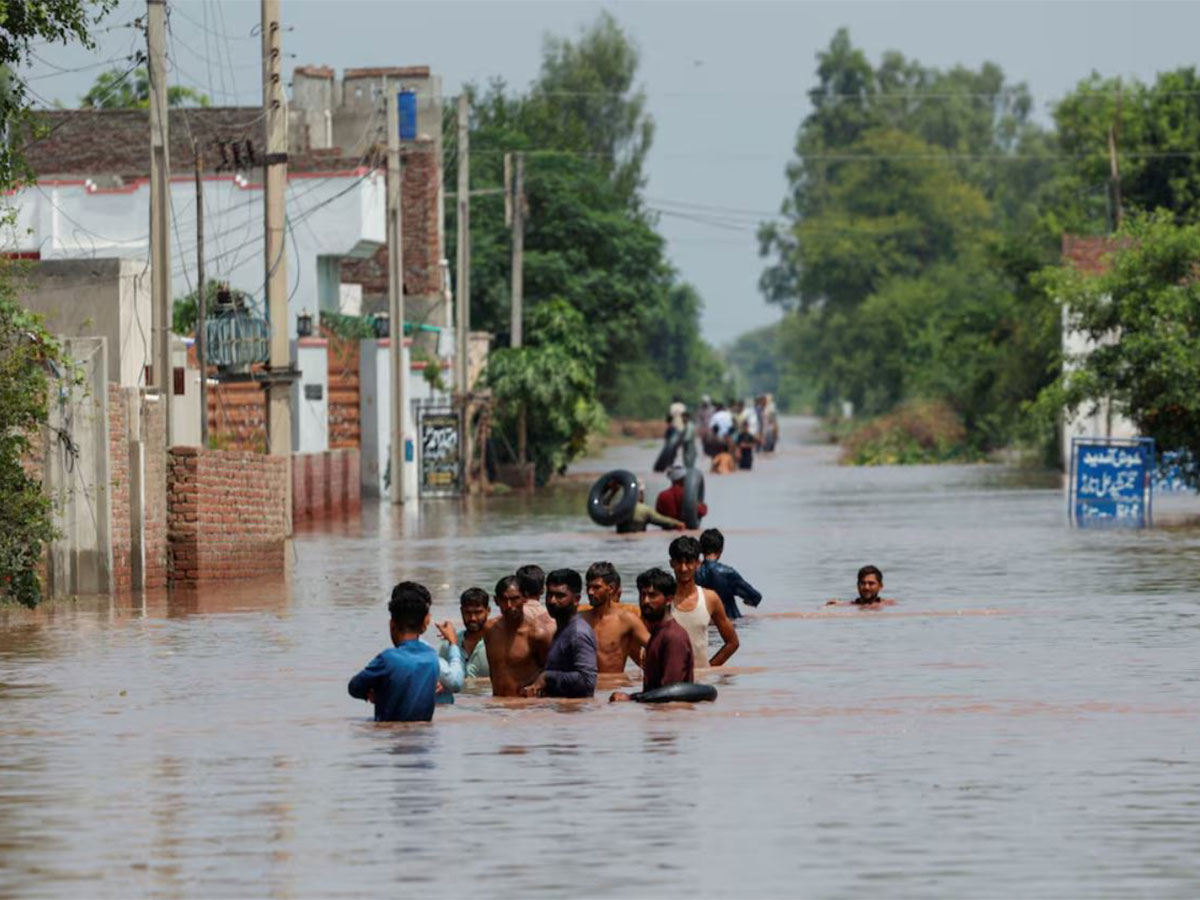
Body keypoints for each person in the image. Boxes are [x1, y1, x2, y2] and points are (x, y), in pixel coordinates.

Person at [348, 581, 442, 722]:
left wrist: (372, 692)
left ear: (392, 624)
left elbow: (354, 687)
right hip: (424, 738)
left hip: (389, 734)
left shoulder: (388, 658)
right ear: (424, 625)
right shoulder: (432, 658)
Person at [610, 567, 694, 702]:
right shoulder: (657, 634)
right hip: (657, 717)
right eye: (642, 595)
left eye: (652, 595)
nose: (645, 601)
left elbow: (670, 693)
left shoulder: (673, 637)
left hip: (671, 719)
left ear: (669, 599)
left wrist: (631, 698)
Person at [522, 569, 597, 698]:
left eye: (560, 596)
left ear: (576, 599)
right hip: (560, 714)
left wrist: (547, 677)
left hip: (575, 714)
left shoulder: (578, 633)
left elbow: (587, 682)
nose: (552, 601)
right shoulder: (562, 629)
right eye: (549, 595)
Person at [667, 535, 739, 667]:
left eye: (688, 562)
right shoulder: (664, 600)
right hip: (670, 681)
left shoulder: (709, 599)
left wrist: (709, 668)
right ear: (671, 563)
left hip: (701, 682)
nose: (683, 568)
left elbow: (732, 642)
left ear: (697, 564)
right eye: (679, 562)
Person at [485, 575, 555, 696]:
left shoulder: (537, 633)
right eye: (504, 600)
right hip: (497, 706)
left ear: (525, 598)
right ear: (496, 601)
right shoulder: (489, 629)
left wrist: (536, 687)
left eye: (514, 599)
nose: (509, 606)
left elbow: (552, 671)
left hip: (527, 708)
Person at [581, 561, 650, 674]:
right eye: (588, 587)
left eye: (596, 587)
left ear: (611, 589)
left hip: (614, 686)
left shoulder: (626, 620)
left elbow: (657, 647)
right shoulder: (580, 620)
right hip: (585, 687)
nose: (590, 592)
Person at [696, 528, 762, 620]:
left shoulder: (692, 574)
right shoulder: (728, 573)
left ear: (701, 549)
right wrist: (747, 601)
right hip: (729, 622)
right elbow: (755, 597)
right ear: (721, 549)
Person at [438, 587, 490, 684]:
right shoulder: (448, 644)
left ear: (488, 611)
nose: (473, 618)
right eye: (468, 613)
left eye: (478, 612)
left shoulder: (496, 644)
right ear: (461, 611)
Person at [619, 480, 685, 533]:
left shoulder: (619, 507)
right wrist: (677, 523)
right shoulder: (644, 509)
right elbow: (661, 519)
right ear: (640, 493)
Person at [825, 565, 897, 607]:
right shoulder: (849, 605)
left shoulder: (890, 604)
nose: (866, 587)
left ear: (880, 586)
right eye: (863, 583)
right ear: (857, 585)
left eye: (871, 583)